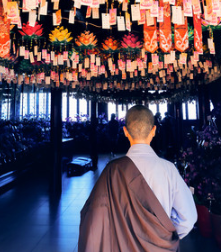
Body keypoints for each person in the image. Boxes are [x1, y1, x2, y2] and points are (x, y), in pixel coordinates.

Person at [79, 105, 197, 252]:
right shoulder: (169, 169)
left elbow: (93, 218)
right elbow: (188, 218)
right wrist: (162, 236)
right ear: (154, 131)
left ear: (125, 132)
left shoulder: (112, 170)